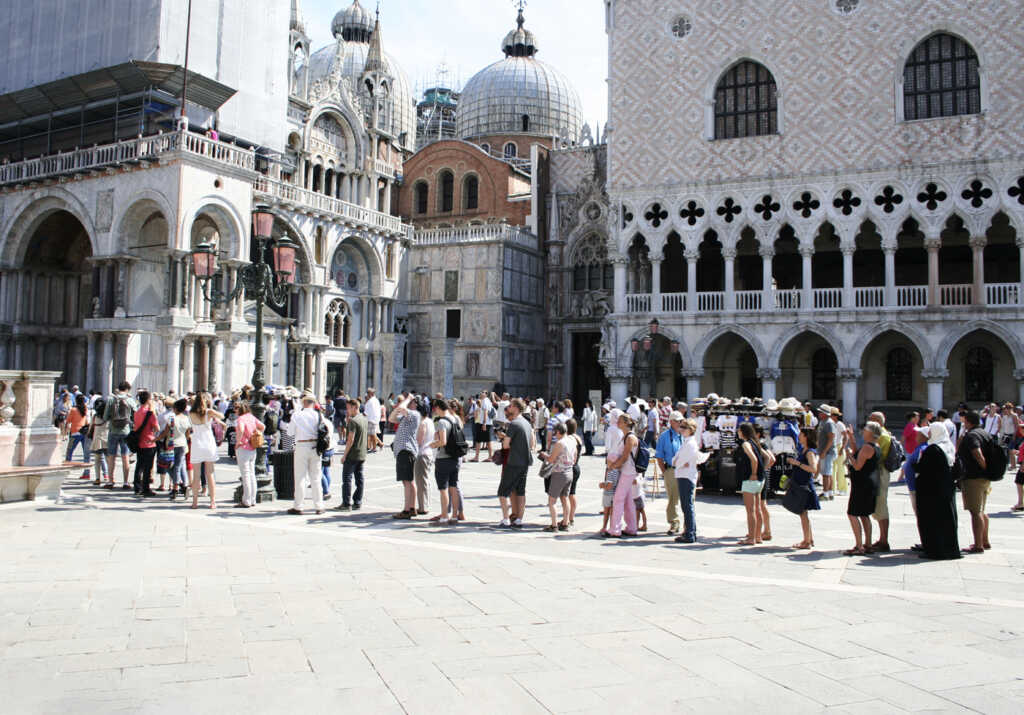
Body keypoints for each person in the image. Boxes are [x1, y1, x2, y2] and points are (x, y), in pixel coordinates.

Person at [914, 422, 961, 560]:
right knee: (946, 521)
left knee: (933, 521)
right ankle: (949, 549)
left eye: (930, 431)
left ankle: (935, 550)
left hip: (932, 491)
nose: (928, 434)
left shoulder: (933, 449)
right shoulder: (948, 446)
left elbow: (924, 469)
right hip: (946, 489)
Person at [285, 390, 327, 515]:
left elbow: (289, 433)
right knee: (316, 477)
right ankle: (319, 506)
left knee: (300, 477)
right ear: (313, 403)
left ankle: (298, 506)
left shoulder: (297, 415)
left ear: (303, 403)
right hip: (315, 446)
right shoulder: (318, 415)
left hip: (302, 445)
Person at [843, 421, 882, 556]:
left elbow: (858, 465)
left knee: (852, 514)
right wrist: (852, 439)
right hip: (869, 483)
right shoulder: (875, 446)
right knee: (864, 515)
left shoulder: (867, 447)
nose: (863, 431)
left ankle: (859, 546)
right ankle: (868, 544)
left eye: (865, 429)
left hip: (862, 484)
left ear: (870, 432)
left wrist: (848, 455)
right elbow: (858, 453)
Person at [957, 411, 992, 554]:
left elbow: (977, 453)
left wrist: (983, 467)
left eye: (964, 422)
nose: (963, 424)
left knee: (975, 511)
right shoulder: (985, 433)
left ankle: (978, 545)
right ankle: (985, 541)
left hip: (974, 478)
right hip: (984, 479)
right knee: (982, 510)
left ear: (968, 422)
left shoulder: (972, 435)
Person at [496, 399, 533, 528]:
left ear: (516, 408)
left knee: (502, 492)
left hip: (513, 462)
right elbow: (532, 443)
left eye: (510, 406)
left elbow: (506, 445)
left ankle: (506, 519)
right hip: (525, 462)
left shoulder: (514, 424)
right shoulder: (527, 423)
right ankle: (519, 519)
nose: (509, 408)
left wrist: (503, 438)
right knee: (520, 492)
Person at [785, 428, 820, 549]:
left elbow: (813, 469)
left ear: (806, 436)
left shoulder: (810, 452)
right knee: (803, 513)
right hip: (799, 482)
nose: (799, 435)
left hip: (805, 484)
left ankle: (806, 541)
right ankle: (809, 539)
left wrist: (797, 463)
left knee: (803, 513)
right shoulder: (803, 449)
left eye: (801, 434)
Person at [605, 413, 640, 538]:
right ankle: (631, 527)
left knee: (618, 499)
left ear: (626, 422)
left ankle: (615, 529)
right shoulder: (626, 436)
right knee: (627, 500)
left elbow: (625, 457)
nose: (617, 423)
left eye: (620, 421)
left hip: (627, 471)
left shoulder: (630, 438)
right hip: (627, 471)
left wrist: (613, 466)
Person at [388, 393, 422, 519]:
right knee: (409, 481)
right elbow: (392, 418)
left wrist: (407, 399)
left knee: (406, 481)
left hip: (406, 450)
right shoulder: (406, 417)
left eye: (411, 402)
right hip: (404, 451)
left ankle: (406, 510)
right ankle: (412, 508)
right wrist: (403, 404)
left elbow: (400, 408)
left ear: (414, 404)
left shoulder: (414, 414)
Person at [429, 398, 461, 525]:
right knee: (453, 487)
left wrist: (432, 445)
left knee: (443, 489)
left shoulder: (442, 422)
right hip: (455, 458)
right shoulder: (454, 419)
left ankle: (444, 515)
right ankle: (454, 516)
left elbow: (443, 442)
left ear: (437, 408)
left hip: (443, 458)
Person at [672, 418, 704, 544]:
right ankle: (689, 531)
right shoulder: (687, 442)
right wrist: (678, 462)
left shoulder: (690, 443)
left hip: (686, 476)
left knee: (687, 505)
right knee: (686, 505)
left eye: (684, 428)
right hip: (684, 474)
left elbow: (679, 460)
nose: (681, 430)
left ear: (690, 430)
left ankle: (690, 533)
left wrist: (678, 462)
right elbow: (676, 459)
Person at [188, 392, 223, 509]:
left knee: (196, 475)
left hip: (196, 444)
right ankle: (212, 502)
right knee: (210, 474)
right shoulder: (209, 412)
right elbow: (222, 416)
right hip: (208, 444)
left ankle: (195, 502)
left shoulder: (191, 413)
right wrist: (211, 409)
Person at [540, 421, 576, 532]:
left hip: (559, 473)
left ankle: (554, 525)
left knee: (552, 501)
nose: (555, 435)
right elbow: (574, 457)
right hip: (569, 471)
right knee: (565, 498)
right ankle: (566, 522)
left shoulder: (560, 443)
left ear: (559, 432)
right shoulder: (572, 440)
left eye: (555, 433)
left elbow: (551, 459)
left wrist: (544, 455)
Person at [104, 381, 137, 490]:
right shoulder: (130, 400)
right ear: (127, 389)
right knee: (125, 456)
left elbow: (105, 417)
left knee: (111, 456)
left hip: (113, 430)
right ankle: (126, 482)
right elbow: (136, 413)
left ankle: (110, 481)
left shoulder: (110, 399)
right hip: (126, 431)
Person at [655, 411, 684, 535]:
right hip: (671, 469)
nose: (680, 423)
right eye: (677, 421)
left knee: (687, 498)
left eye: (681, 421)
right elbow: (659, 456)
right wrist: (665, 472)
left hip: (685, 470)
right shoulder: (664, 436)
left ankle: (688, 524)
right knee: (673, 497)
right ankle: (674, 522)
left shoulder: (685, 434)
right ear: (671, 422)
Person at [736, 422, 765, 546]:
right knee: (757, 508)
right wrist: (761, 470)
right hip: (760, 478)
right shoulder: (756, 442)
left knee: (750, 510)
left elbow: (753, 459)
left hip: (750, 479)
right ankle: (758, 536)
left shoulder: (746, 444)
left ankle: (751, 537)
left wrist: (753, 472)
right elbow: (768, 457)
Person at [337, 398, 367, 511]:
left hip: (352, 454)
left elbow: (350, 440)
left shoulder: (353, 421)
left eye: (348, 408)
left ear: (355, 407)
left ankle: (346, 503)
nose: (347, 410)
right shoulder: (364, 419)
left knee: (347, 479)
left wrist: (344, 455)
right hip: (361, 453)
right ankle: (357, 501)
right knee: (359, 479)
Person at [869, 411, 893, 553]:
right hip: (879, 472)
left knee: (881, 506)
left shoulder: (881, 436)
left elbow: (874, 454)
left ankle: (884, 540)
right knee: (879, 507)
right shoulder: (882, 433)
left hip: (880, 472)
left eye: (871, 421)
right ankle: (882, 539)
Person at [233, 401, 265, 508]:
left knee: (245, 474)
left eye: (236, 408)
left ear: (240, 409)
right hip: (252, 447)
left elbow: (241, 429)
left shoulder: (240, 419)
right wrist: (256, 433)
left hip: (243, 447)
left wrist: (238, 441)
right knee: (251, 474)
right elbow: (262, 426)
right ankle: (252, 499)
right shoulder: (251, 416)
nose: (235, 410)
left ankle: (246, 500)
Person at [413, 402, 436, 516]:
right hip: (429, 453)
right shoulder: (430, 422)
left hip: (422, 454)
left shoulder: (422, 423)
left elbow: (419, 440)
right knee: (425, 481)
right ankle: (425, 504)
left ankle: (423, 507)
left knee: (421, 482)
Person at [814, 404, 837, 500]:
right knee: (828, 472)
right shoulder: (823, 422)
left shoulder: (828, 423)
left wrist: (824, 451)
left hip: (827, 452)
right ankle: (830, 492)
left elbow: (831, 438)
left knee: (825, 473)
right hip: (825, 451)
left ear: (824, 413)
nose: (819, 413)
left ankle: (825, 493)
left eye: (820, 412)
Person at [564, 419, 584, 526]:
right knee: (572, 493)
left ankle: (566, 519)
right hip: (577, 467)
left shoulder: (569, 439)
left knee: (566, 495)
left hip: (570, 467)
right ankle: (571, 517)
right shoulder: (578, 438)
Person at [65, 394, 90, 470]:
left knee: (69, 450)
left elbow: (68, 420)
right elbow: (87, 421)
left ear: (76, 401)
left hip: (75, 432)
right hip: (84, 432)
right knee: (86, 453)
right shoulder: (85, 409)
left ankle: (67, 467)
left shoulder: (73, 410)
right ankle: (86, 472)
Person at [89, 398, 110, 486]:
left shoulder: (95, 416)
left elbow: (90, 428)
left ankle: (97, 478)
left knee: (97, 460)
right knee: (108, 460)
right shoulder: (108, 416)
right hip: (107, 439)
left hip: (97, 439)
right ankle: (109, 477)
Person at [470, 391, 494, 462]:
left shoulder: (485, 401)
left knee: (487, 440)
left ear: (486, 394)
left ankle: (489, 457)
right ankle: (477, 457)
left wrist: (484, 423)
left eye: (483, 392)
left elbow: (485, 412)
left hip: (484, 423)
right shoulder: (484, 401)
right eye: (481, 392)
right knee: (479, 440)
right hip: (482, 423)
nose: (481, 393)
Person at [364, 388, 382, 453]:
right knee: (371, 434)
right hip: (374, 419)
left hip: (371, 419)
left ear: (371, 393)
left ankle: (374, 448)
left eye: (368, 393)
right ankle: (374, 446)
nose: (367, 394)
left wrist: (362, 415)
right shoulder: (376, 400)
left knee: (372, 434)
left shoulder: (370, 401)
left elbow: (366, 412)